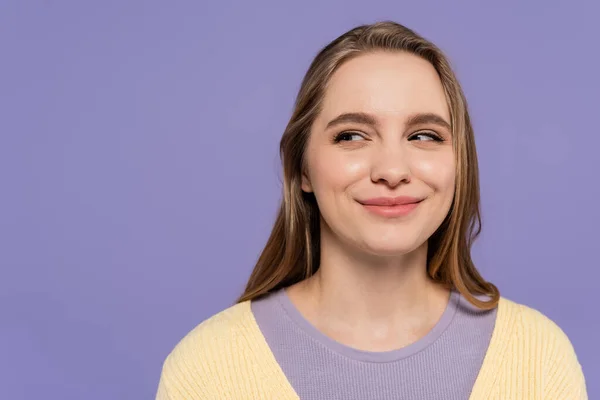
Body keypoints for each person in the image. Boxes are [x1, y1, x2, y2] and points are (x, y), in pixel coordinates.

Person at [156, 21, 587, 399]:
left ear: (460, 163)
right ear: (302, 168)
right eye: (351, 136)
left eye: (423, 136)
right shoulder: (206, 370)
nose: (392, 170)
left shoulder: (538, 358)